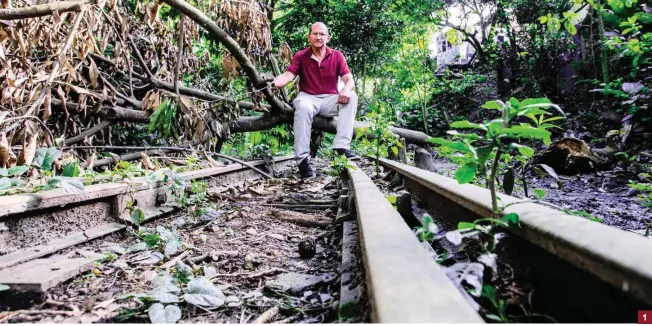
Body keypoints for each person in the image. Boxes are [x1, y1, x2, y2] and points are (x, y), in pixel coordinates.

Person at [270, 22, 359, 179]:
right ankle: (302, 160)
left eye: (322, 34)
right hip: (308, 98)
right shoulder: (300, 56)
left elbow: (349, 79)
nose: (318, 37)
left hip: (330, 99)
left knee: (352, 97)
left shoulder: (337, 55)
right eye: (315, 34)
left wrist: (345, 89)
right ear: (309, 37)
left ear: (328, 38)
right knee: (303, 107)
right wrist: (272, 84)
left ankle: (341, 147)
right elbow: (288, 76)